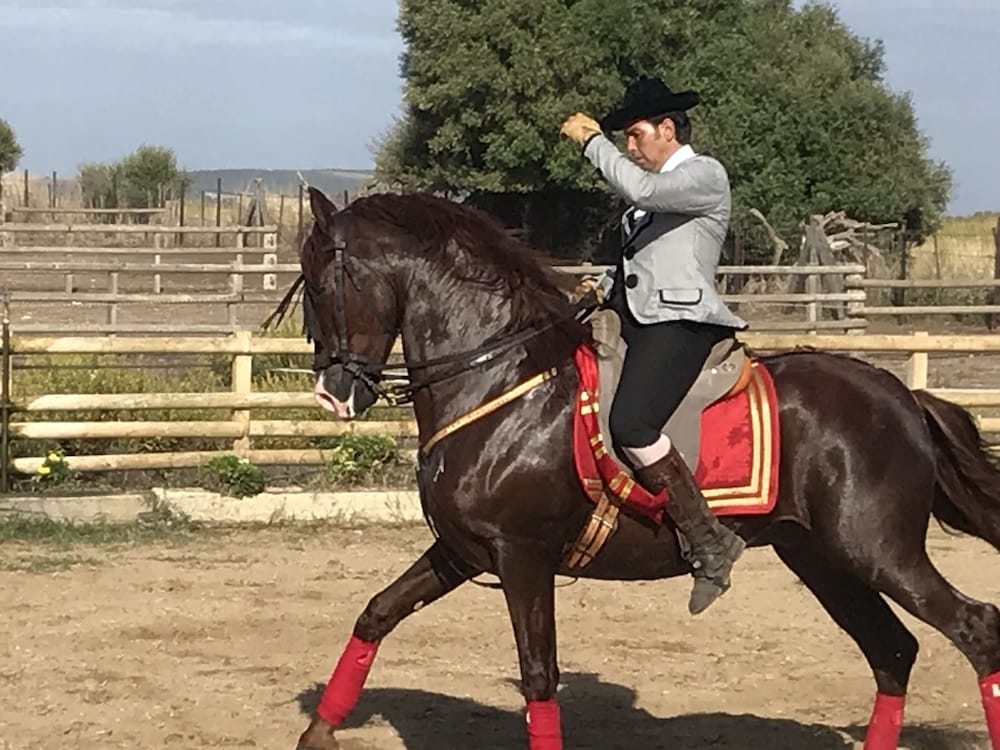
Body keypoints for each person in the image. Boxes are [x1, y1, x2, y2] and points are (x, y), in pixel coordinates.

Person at [560, 75, 748, 615]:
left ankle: (710, 541)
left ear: (668, 129)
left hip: (683, 323)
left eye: (637, 135)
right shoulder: (643, 208)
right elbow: (633, 262)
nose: (631, 147)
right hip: (635, 318)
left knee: (634, 425)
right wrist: (598, 288)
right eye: (624, 139)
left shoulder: (703, 174)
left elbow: (640, 189)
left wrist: (593, 142)